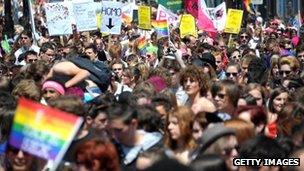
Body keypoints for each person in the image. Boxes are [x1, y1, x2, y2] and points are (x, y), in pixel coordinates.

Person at [106, 103, 162, 170]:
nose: (114, 135)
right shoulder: (111, 149)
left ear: (134, 124)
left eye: (119, 130)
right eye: (110, 130)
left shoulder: (156, 147)